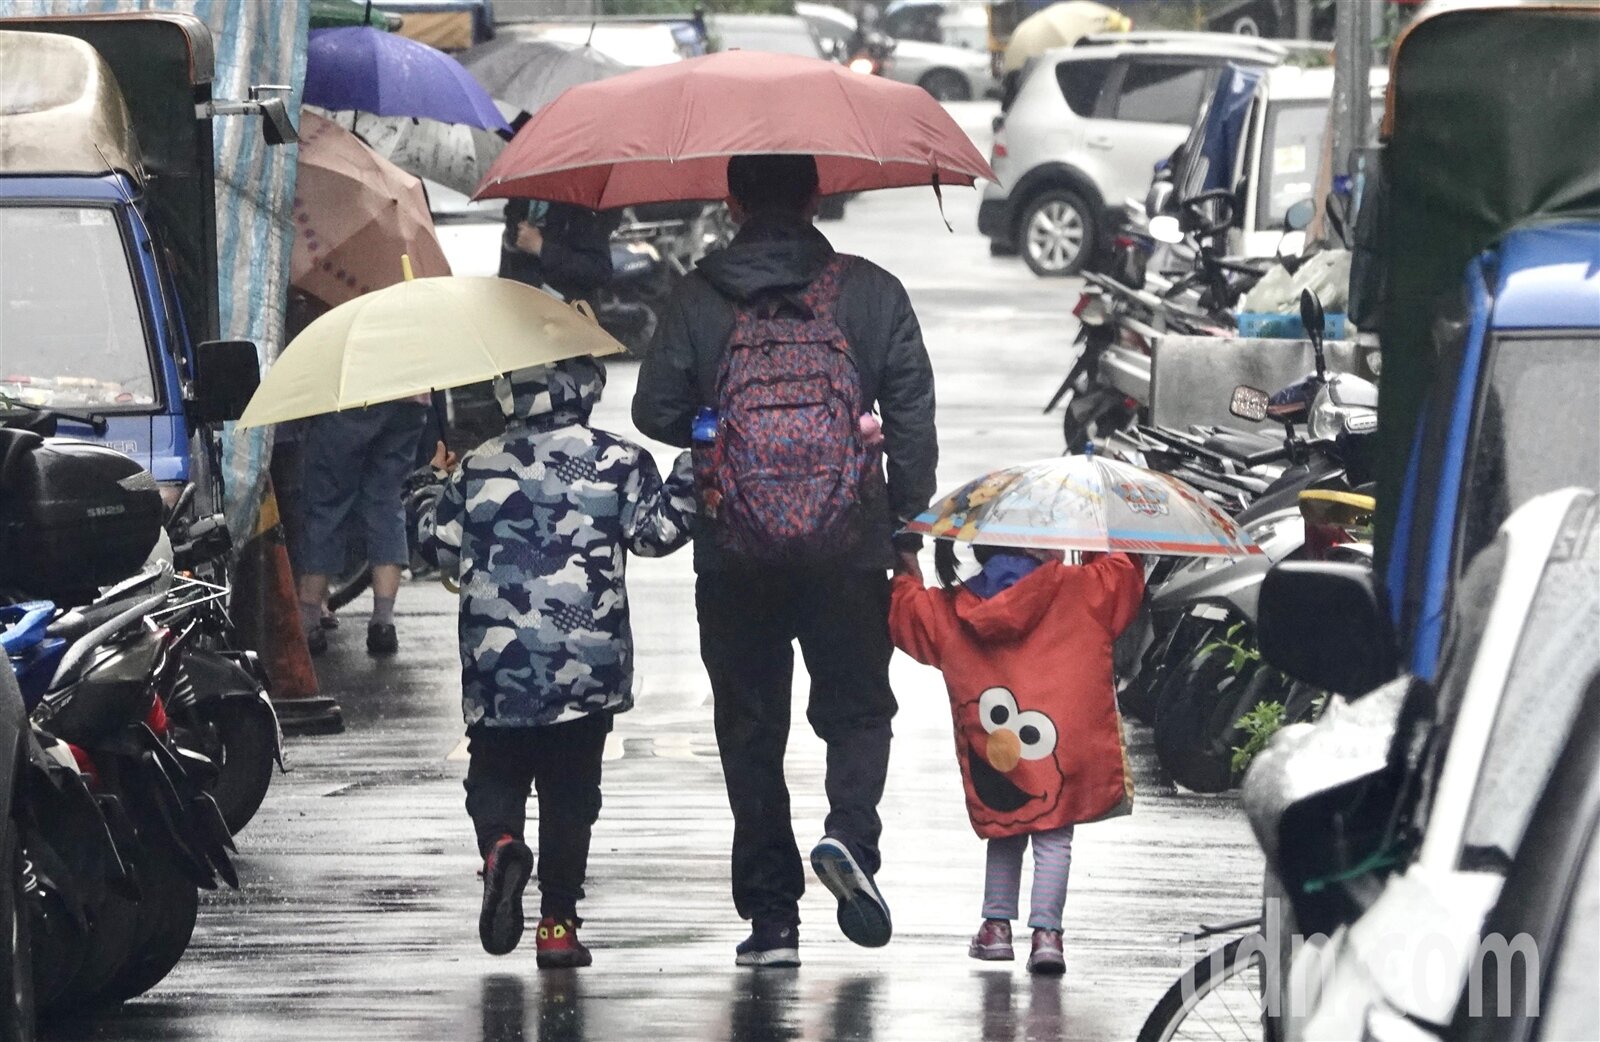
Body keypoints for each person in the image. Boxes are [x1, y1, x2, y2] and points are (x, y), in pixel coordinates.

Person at [632, 153, 938, 967]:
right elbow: (911, 420)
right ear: (817, 193)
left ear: (731, 201)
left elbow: (654, 408)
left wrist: (722, 421)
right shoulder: (871, 292)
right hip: (849, 547)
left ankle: (772, 922)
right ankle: (850, 841)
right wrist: (905, 533)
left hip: (734, 552)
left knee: (750, 729)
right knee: (859, 712)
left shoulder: (699, 294)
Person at [418, 358, 695, 968]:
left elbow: (434, 545)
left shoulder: (478, 463)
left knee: (494, 773)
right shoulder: (618, 460)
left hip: (498, 666)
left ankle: (501, 846)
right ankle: (558, 928)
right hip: (585, 669)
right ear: (586, 387)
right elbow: (657, 534)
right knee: (572, 795)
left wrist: (430, 484)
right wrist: (693, 468)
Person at [888, 543, 1144, 974]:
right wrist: (1100, 541)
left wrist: (907, 563)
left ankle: (996, 928)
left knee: (1007, 823)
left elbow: (909, 613)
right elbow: (1123, 576)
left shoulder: (954, 608)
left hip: (997, 753)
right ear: (1041, 547)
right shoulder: (1081, 590)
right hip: (1060, 748)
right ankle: (1047, 936)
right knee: (1054, 835)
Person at [297, 392, 429, 656]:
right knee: (388, 503)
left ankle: (309, 623)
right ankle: (383, 622)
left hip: (350, 399)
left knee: (327, 502)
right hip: (410, 395)